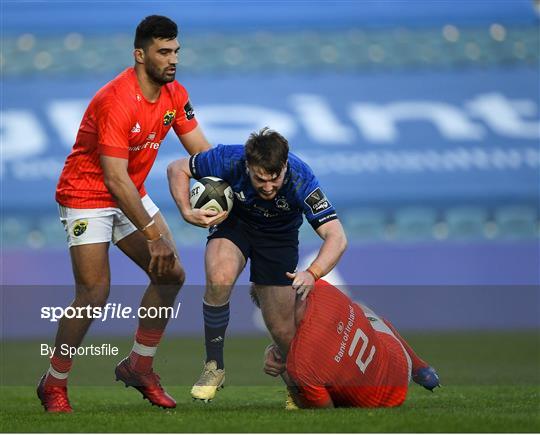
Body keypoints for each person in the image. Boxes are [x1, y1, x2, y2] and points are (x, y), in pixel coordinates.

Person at [37, 15, 222, 413]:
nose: (172, 60)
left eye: (176, 51)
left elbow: (202, 153)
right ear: (140, 54)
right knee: (93, 294)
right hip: (87, 194)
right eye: (163, 52)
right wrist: (154, 235)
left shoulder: (175, 93)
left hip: (130, 193)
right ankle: (54, 382)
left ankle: (139, 365)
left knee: (170, 275)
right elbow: (114, 178)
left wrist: (238, 179)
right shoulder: (116, 100)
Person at [167, 127, 347, 401]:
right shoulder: (228, 158)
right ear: (248, 166)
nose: (268, 187)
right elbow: (176, 168)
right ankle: (214, 367)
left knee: (282, 330)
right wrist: (186, 211)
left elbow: (337, 236)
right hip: (235, 224)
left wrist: (313, 272)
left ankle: (299, 389)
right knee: (219, 278)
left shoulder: (302, 178)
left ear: (285, 166)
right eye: (260, 179)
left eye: (274, 180)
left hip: (279, 238)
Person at [258, 280, 441, 409]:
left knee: (308, 378)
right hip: (400, 369)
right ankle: (420, 368)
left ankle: (419, 367)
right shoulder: (322, 287)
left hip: (381, 403)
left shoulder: (302, 363)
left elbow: (321, 413)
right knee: (361, 310)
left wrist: (284, 363)